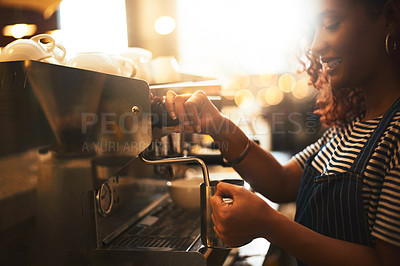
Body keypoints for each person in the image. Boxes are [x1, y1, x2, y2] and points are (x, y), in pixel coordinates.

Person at [163, 0, 400, 264]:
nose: (315, 45)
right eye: (314, 30)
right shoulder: (350, 126)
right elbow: (283, 182)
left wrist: (269, 225)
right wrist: (218, 125)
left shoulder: (395, 138)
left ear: (389, 18)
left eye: (331, 24)